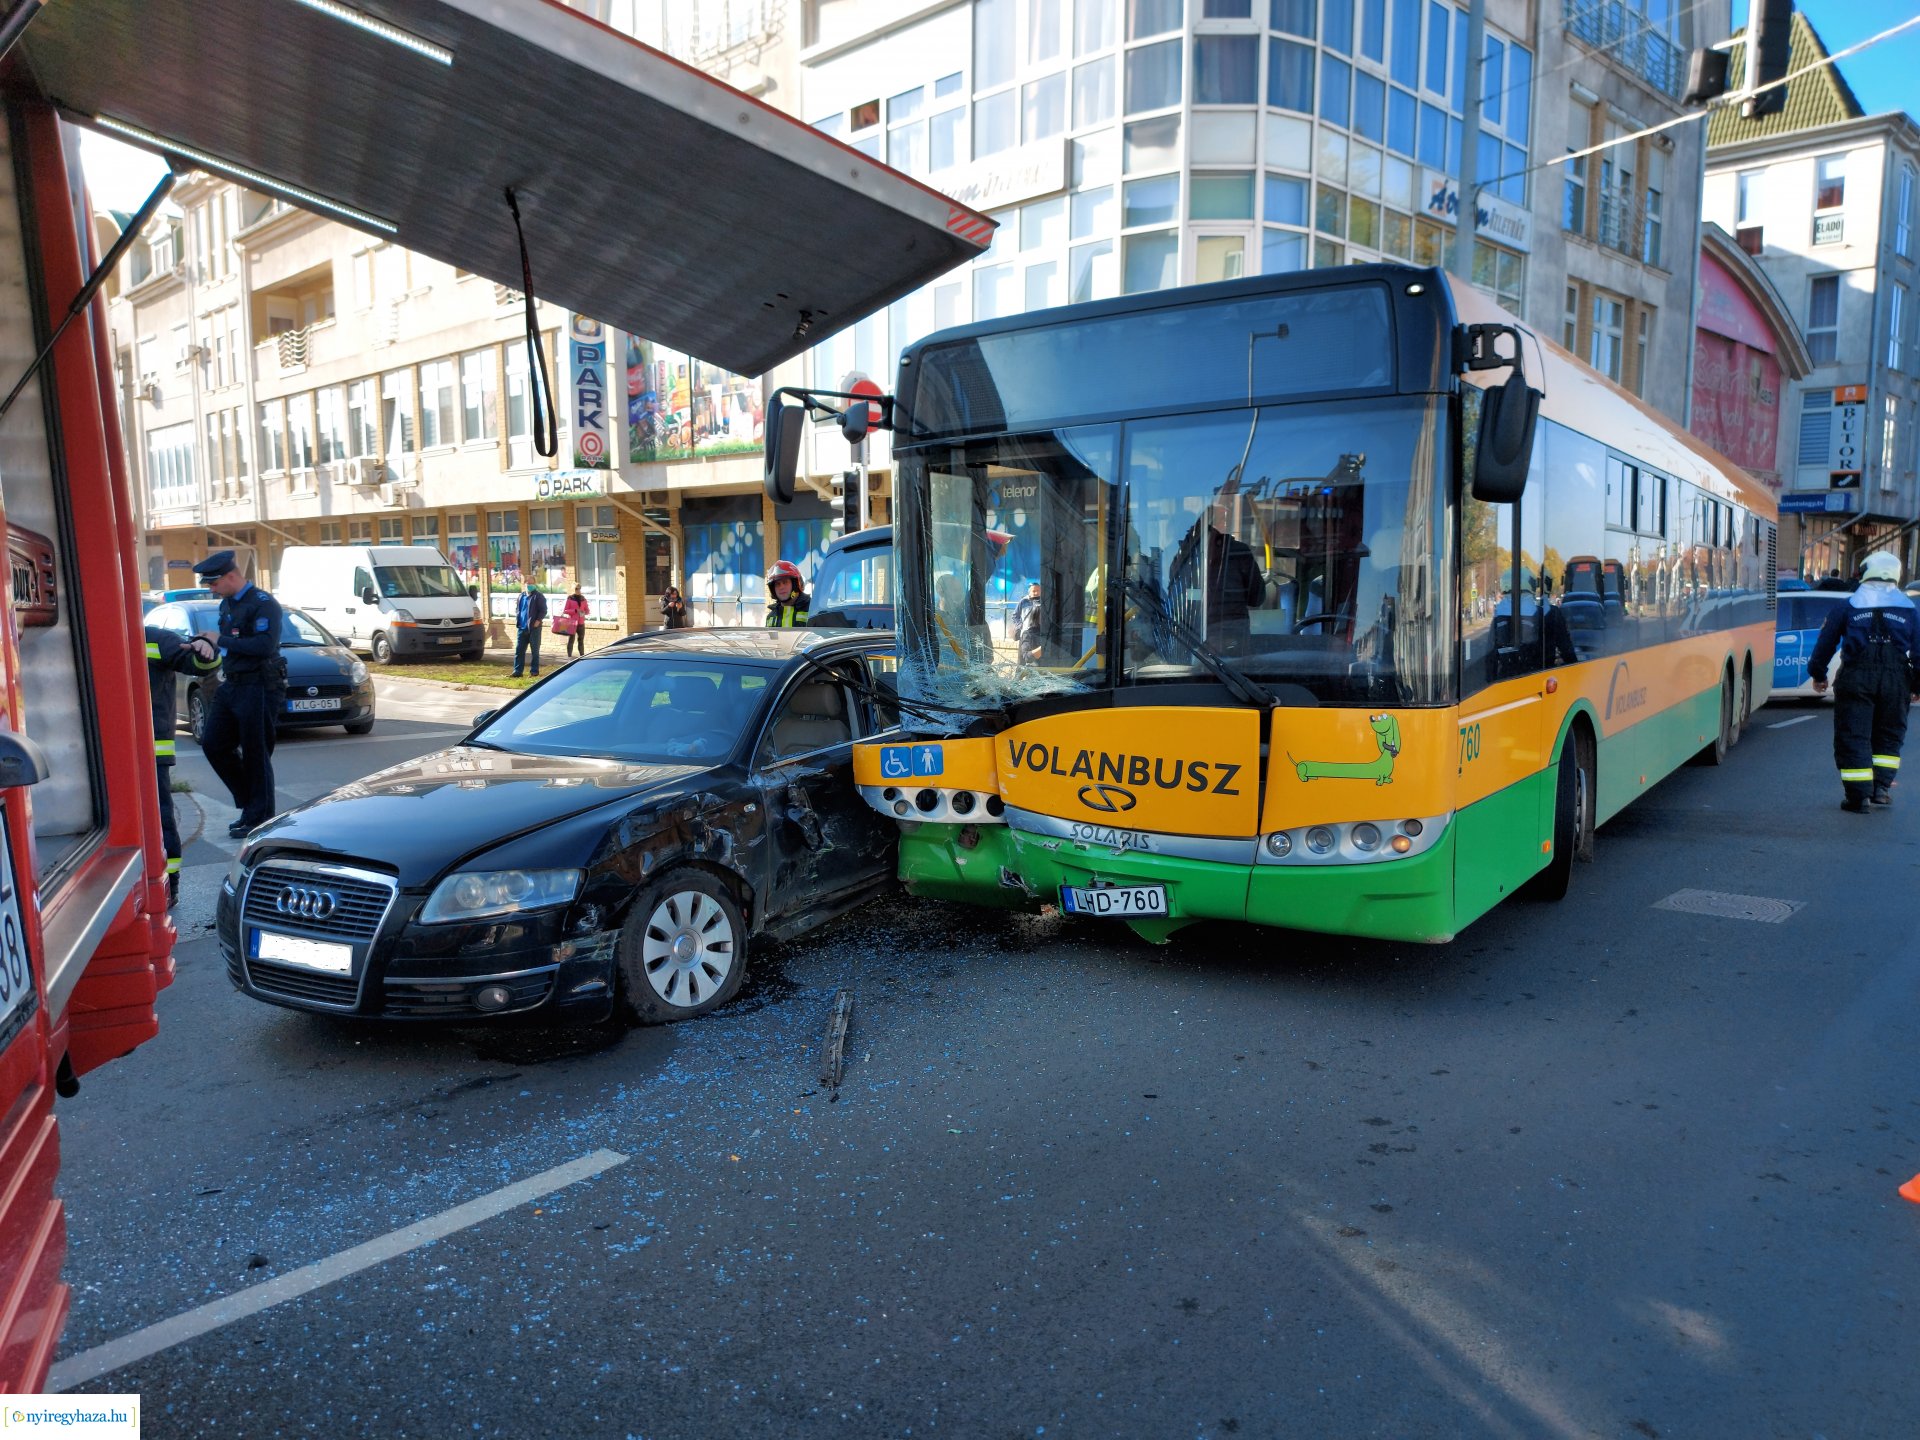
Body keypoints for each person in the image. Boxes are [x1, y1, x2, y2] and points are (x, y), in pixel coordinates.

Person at [1809, 550, 1920, 813]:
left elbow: (1825, 643)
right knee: (1890, 735)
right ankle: (1881, 790)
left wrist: (1818, 674)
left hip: (1856, 678)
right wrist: (1916, 685)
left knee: (1854, 734)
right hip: (1895, 680)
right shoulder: (1910, 610)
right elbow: (1919, 652)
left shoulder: (1848, 605)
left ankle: (1858, 797)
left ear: (1866, 571)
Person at [192, 550, 284, 838]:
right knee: (213, 744)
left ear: (231, 576)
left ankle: (259, 817)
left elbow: (264, 646)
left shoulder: (263, 604)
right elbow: (229, 644)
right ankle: (251, 803)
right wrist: (204, 644)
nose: (211, 589)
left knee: (256, 753)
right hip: (231, 684)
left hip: (258, 685)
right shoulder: (227, 604)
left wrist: (222, 640)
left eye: (214, 583)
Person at [146, 624, 220, 904]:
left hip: (151, 752)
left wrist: (206, 648)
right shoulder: (86, 635)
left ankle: (169, 886)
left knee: (161, 820)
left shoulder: (153, 638)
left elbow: (199, 664)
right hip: (104, 756)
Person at [511, 581, 548, 677]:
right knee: (519, 650)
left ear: (535, 584)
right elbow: (518, 609)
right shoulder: (521, 596)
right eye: (527, 583)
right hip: (522, 627)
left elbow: (543, 610)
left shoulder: (538, 596)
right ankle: (517, 671)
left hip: (534, 628)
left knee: (534, 651)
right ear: (524, 584)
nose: (529, 585)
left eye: (531, 583)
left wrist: (538, 621)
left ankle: (534, 672)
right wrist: (518, 619)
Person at [766, 560, 809, 627]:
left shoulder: (812, 610)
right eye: (777, 584)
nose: (781, 587)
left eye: (785, 582)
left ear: (795, 584)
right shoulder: (770, 617)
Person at [560, 586, 590, 658]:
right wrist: (575, 611)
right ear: (573, 589)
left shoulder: (583, 599)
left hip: (581, 623)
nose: (578, 590)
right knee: (571, 640)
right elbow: (565, 610)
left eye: (579, 589)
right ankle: (569, 657)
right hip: (572, 623)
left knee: (581, 640)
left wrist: (584, 612)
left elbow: (587, 611)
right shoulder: (570, 598)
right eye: (576, 589)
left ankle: (582, 656)